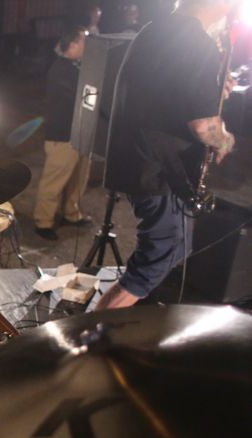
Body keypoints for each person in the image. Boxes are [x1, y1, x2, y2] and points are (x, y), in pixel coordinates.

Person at [95, 0, 236, 310]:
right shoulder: (196, 41)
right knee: (155, 260)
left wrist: (211, 88)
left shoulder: (156, 30)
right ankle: (92, 333)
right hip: (161, 169)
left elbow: (169, 95)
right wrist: (225, 140)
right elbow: (203, 125)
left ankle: (114, 324)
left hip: (141, 162)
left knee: (173, 249)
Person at [33, 27, 94, 241]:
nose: (88, 46)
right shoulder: (60, 70)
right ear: (73, 45)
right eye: (84, 41)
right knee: (55, 181)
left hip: (80, 134)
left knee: (78, 178)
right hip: (63, 136)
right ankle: (43, 221)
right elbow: (80, 98)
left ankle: (71, 212)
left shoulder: (77, 67)